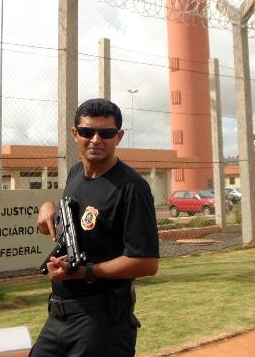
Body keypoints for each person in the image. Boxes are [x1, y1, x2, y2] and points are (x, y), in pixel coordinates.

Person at [31, 98, 159, 356]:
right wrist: (48, 207)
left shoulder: (132, 188)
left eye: (106, 133)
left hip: (102, 323)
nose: (96, 139)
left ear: (119, 136)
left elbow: (146, 262)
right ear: (75, 134)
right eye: (88, 132)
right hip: (58, 315)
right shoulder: (76, 173)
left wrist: (84, 271)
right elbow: (75, 218)